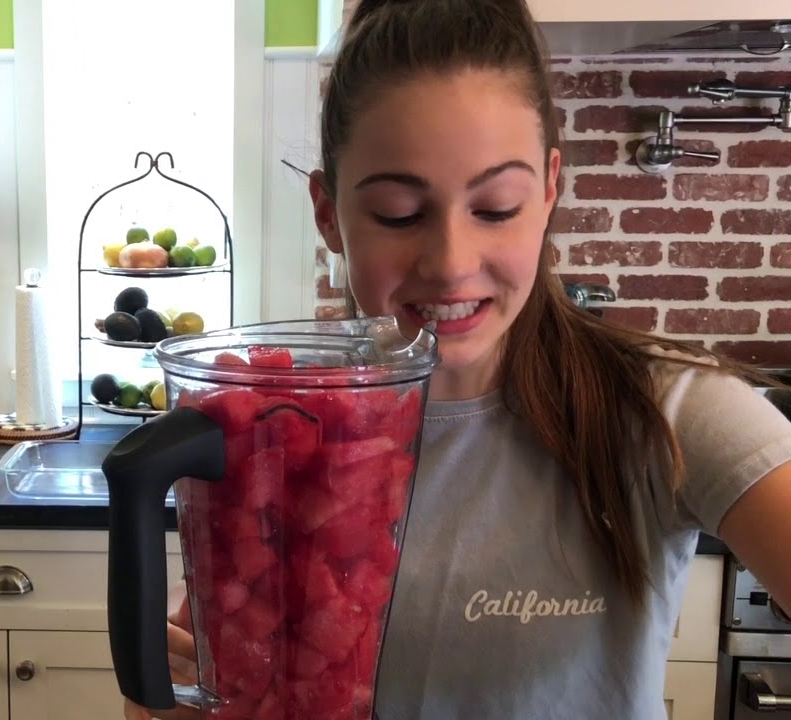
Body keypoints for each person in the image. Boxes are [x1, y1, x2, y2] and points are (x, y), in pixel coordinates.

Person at [124, 0, 791, 718]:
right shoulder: (286, 428)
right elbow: (197, 689)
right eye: (399, 215)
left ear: (548, 191)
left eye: (496, 207)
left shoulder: (668, 413)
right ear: (328, 214)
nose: (450, 263)